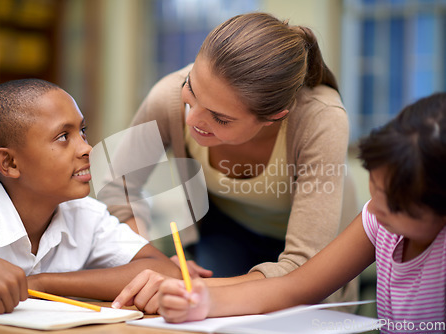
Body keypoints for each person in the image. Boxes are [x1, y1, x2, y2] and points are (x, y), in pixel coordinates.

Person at [103, 12, 358, 312]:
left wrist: (180, 288)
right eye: (191, 90)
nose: (193, 118)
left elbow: (302, 268)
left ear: (275, 117)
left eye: (221, 118)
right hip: (228, 230)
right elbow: (119, 187)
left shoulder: (320, 118)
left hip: (312, 252)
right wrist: (150, 261)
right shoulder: (167, 97)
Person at [157, 92, 446, 332]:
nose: (378, 206)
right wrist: (205, 300)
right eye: (375, 185)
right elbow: (295, 287)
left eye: (399, 206)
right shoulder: (377, 220)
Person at [0, 78, 181, 314]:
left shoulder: (86, 216)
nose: (87, 149)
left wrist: (42, 283)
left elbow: (165, 270)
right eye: (63, 137)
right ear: (10, 162)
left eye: (83, 132)